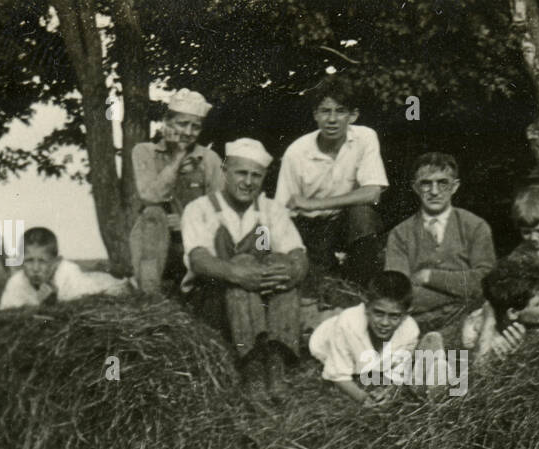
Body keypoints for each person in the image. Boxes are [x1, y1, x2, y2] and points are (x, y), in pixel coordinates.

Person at [182, 138, 309, 395]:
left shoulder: (272, 210)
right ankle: (251, 366)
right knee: (243, 262)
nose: (248, 182)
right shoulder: (201, 208)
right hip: (214, 300)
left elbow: (298, 254)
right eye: (241, 173)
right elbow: (198, 259)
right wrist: (238, 273)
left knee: (281, 264)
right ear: (225, 172)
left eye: (256, 175)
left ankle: (275, 362)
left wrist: (291, 270)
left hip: (262, 299)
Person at [275, 75, 387, 292]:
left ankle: (362, 289)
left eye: (340, 111)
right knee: (318, 286)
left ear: (353, 115)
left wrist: (313, 203)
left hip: (345, 224)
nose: (332, 119)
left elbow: (373, 192)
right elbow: (283, 211)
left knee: (363, 214)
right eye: (325, 111)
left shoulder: (365, 138)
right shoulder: (297, 153)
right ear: (315, 115)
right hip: (310, 228)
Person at [130, 89, 224, 295]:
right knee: (153, 214)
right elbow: (150, 195)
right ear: (167, 123)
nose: (189, 132)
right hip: (153, 241)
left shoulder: (210, 160)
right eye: (183, 124)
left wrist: (184, 223)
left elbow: (220, 211)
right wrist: (178, 158)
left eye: (195, 127)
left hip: (197, 240)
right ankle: (150, 298)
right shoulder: (144, 152)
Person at [384, 152, 495, 325]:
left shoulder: (475, 226)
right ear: (415, 187)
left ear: (455, 186)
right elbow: (398, 294)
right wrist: (458, 291)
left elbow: (485, 282)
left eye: (443, 183)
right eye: (426, 184)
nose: (434, 191)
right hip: (417, 322)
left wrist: (429, 276)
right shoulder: (400, 234)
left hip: (469, 319)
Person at [309, 271, 420, 406]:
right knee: (322, 323)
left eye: (394, 316)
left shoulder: (410, 330)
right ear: (366, 306)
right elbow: (337, 374)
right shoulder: (347, 324)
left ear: (406, 314)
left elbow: (397, 372)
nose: (385, 322)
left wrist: (388, 391)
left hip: (370, 360)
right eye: (378, 313)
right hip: (326, 337)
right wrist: (363, 398)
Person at [461, 258, 539, 366]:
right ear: (513, 312)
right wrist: (488, 328)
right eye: (538, 304)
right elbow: (478, 366)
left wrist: (526, 349)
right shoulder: (476, 324)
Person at [0, 227, 131, 309]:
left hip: (107, 287)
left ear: (56, 261)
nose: (35, 268)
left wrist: (53, 305)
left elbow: (83, 314)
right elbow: (6, 316)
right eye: (29, 261)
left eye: (42, 261)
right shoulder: (16, 282)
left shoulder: (69, 275)